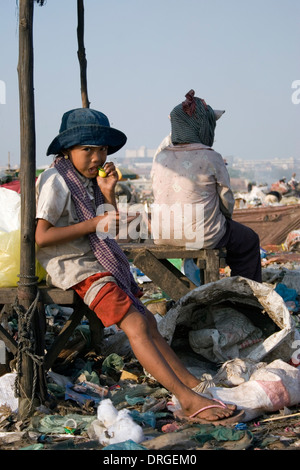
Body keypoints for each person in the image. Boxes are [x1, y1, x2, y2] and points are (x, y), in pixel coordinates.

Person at [35, 107, 241, 424]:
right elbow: (42, 236)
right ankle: (187, 400)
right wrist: (93, 223)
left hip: (95, 260)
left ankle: (190, 382)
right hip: (76, 268)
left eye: (101, 149)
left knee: (148, 321)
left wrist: (108, 192)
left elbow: (107, 227)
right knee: (134, 326)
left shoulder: (85, 180)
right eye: (87, 149)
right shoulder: (56, 181)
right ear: (67, 150)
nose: (96, 157)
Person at [151, 90, 262, 282]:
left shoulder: (160, 157)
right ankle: (243, 298)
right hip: (204, 234)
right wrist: (225, 219)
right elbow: (226, 199)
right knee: (249, 240)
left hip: (162, 234)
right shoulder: (212, 157)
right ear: (205, 128)